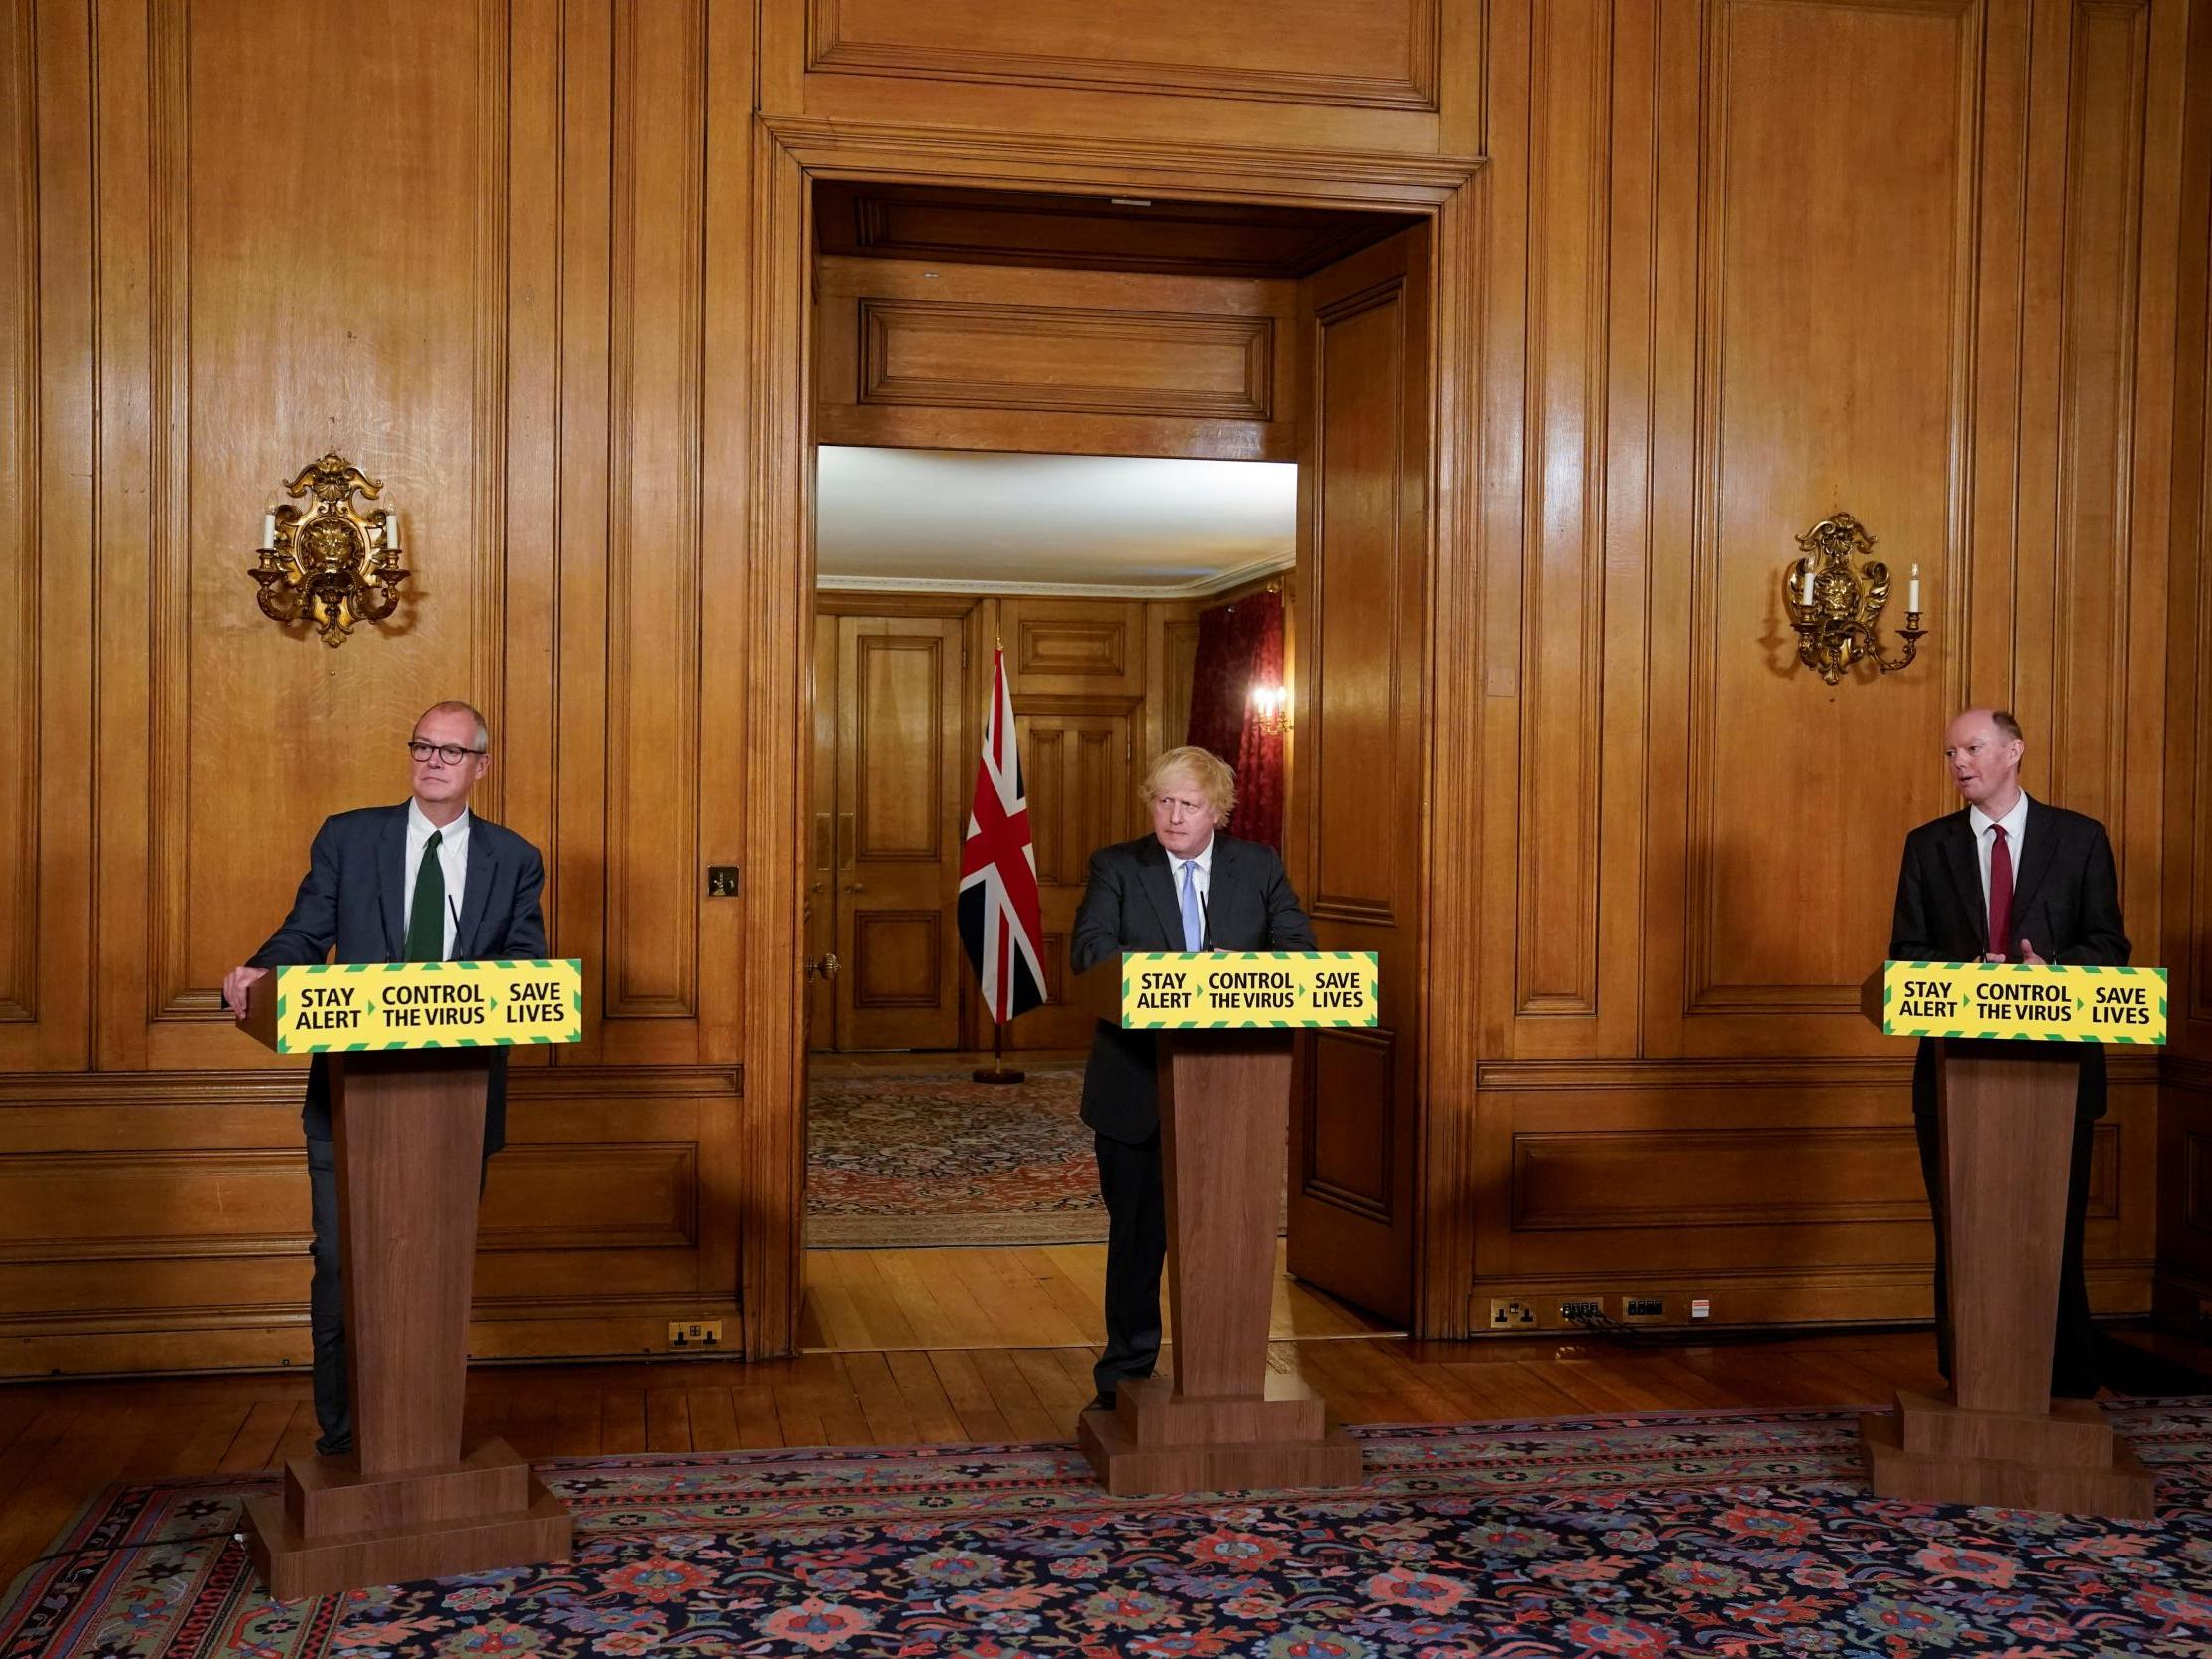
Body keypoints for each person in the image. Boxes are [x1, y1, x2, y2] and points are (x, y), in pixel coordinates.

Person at [221, 700, 547, 1455]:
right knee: (342, 1266)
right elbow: (305, 931)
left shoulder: (514, 857)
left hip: (457, 1104)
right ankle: (346, 1439)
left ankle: (426, 1444)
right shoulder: (350, 837)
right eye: (422, 747)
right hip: (351, 1100)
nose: (433, 761)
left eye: (451, 751)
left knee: (433, 1270)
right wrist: (263, 968)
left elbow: (527, 966)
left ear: (480, 768)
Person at [1887, 707, 2128, 1398]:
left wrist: (2047, 971)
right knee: (1964, 1236)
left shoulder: (2080, 839)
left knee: (2050, 1236)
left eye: (1972, 747)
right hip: (1956, 1076)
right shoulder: (1928, 846)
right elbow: (1907, 954)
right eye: (1950, 752)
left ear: (2014, 750)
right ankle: (1969, 1378)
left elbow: (2110, 947)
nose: (1959, 762)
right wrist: (1972, 973)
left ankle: (2062, 1383)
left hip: (2056, 1080)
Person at [1069, 745, 1316, 1412]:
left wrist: (1235, 968)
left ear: (1218, 811)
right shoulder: (1118, 865)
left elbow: (1299, 956)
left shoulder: (1258, 866)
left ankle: (1230, 1379)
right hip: (1137, 1089)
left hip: (1237, 1094)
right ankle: (1124, 1376)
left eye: (1188, 804)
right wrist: (1186, 975)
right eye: (1163, 801)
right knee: (1138, 1241)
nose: (1173, 816)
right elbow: (1091, 951)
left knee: (1232, 1237)